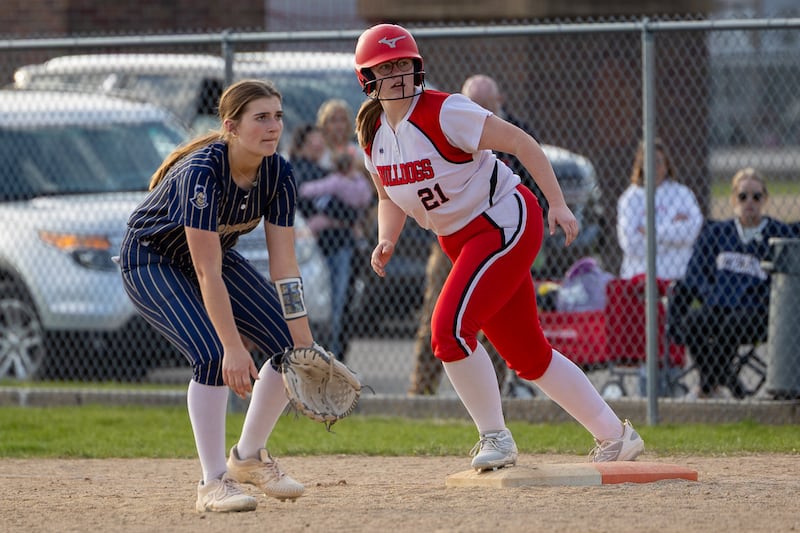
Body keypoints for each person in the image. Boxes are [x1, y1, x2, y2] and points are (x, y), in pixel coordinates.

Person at [353, 23, 644, 469]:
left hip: (504, 221)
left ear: (417, 68)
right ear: (366, 79)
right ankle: (616, 436)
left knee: (448, 331)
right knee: (529, 356)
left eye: (403, 64)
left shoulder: (446, 111)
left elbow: (521, 143)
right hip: (461, 239)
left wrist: (559, 204)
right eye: (385, 67)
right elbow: (389, 195)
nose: (397, 74)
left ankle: (497, 438)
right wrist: (387, 238)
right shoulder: (373, 134)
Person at [119, 79, 311, 513]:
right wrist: (232, 347)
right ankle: (212, 483)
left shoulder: (278, 172)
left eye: (277, 116)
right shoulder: (202, 172)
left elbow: (285, 267)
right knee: (210, 356)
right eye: (261, 117)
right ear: (231, 125)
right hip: (153, 261)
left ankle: (247, 459)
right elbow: (205, 271)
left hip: (212, 261)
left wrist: (304, 340)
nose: (273, 126)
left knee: (288, 347)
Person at [408, 74, 535, 397]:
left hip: (499, 232)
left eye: (486, 106)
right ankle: (420, 395)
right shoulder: (450, 125)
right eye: (473, 105)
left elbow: (531, 182)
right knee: (437, 315)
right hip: (453, 235)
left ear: (499, 102)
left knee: (495, 323)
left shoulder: (513, 130)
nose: (478, 111)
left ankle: (493, 396)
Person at [671, 168, 793, 399]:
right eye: (743, 196)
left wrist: (763, 298)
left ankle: (707, 386)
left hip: (757, 309)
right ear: (733, 199)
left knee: (733, 324)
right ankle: (730, 385)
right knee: (694, 321)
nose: (749, 202)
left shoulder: (778, 233)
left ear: (765, 199)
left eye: (756, 196)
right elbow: (695, 272)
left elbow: (784, 280)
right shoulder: (717, 233)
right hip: (718, 303)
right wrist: (710, 294)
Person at [298, 148, 373, 360]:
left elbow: (306, 190)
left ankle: (329, 348)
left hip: (335, 235)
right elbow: (365, 199)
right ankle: (331, 348)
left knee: (334, 299)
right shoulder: (359, 183)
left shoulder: (336, 181)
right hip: (344, 232)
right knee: (336, 298)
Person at [617, 138, 703, 281]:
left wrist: (650, 231)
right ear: (641, 165)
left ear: (667, 165)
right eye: (648, 161)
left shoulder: (682, 193)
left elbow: (693, 231)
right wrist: (672, 234)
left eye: (658, 161)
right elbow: (630, 244)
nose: (654, 167)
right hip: (638, 278)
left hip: (677, 278)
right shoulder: (630, 198)